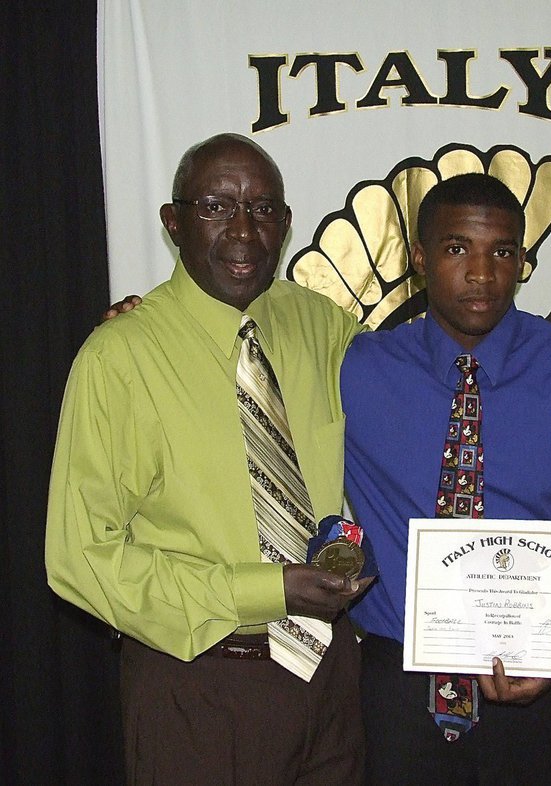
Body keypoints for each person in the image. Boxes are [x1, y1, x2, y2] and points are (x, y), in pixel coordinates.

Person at [46, 133, 372, 784]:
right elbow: (80, 559)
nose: (245, 230)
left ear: (286, 223)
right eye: (217, 206)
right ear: (174, 222)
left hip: (331, 681)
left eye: (263, 208)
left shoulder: (326, 327)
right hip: (198, 687)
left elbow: (430, 384)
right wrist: (265, 590)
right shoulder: (119, 359)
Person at [341, 173, 551, 784]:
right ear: (418, 258)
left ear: (522, 260)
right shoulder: (357, 371)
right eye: (456, 247)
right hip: (401, 694)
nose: (481, 274)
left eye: (502, 252)